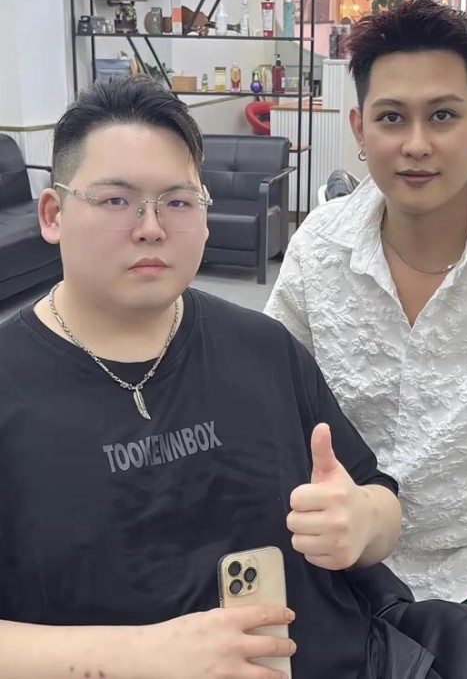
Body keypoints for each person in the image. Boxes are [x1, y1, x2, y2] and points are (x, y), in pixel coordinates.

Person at [0, 76, 406, 679]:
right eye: (116, 201)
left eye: (178, 202)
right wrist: (141, 657)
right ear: (54, 215)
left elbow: (381, 505)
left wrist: (362, 523)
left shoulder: (265, 349)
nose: (151, 227)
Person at [265, 0, 467, 678]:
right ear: (360, 129)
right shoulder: (318, 248)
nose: (416, 143)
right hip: (331, 560)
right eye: (392, 117)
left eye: (443, 115)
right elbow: (265, 389)